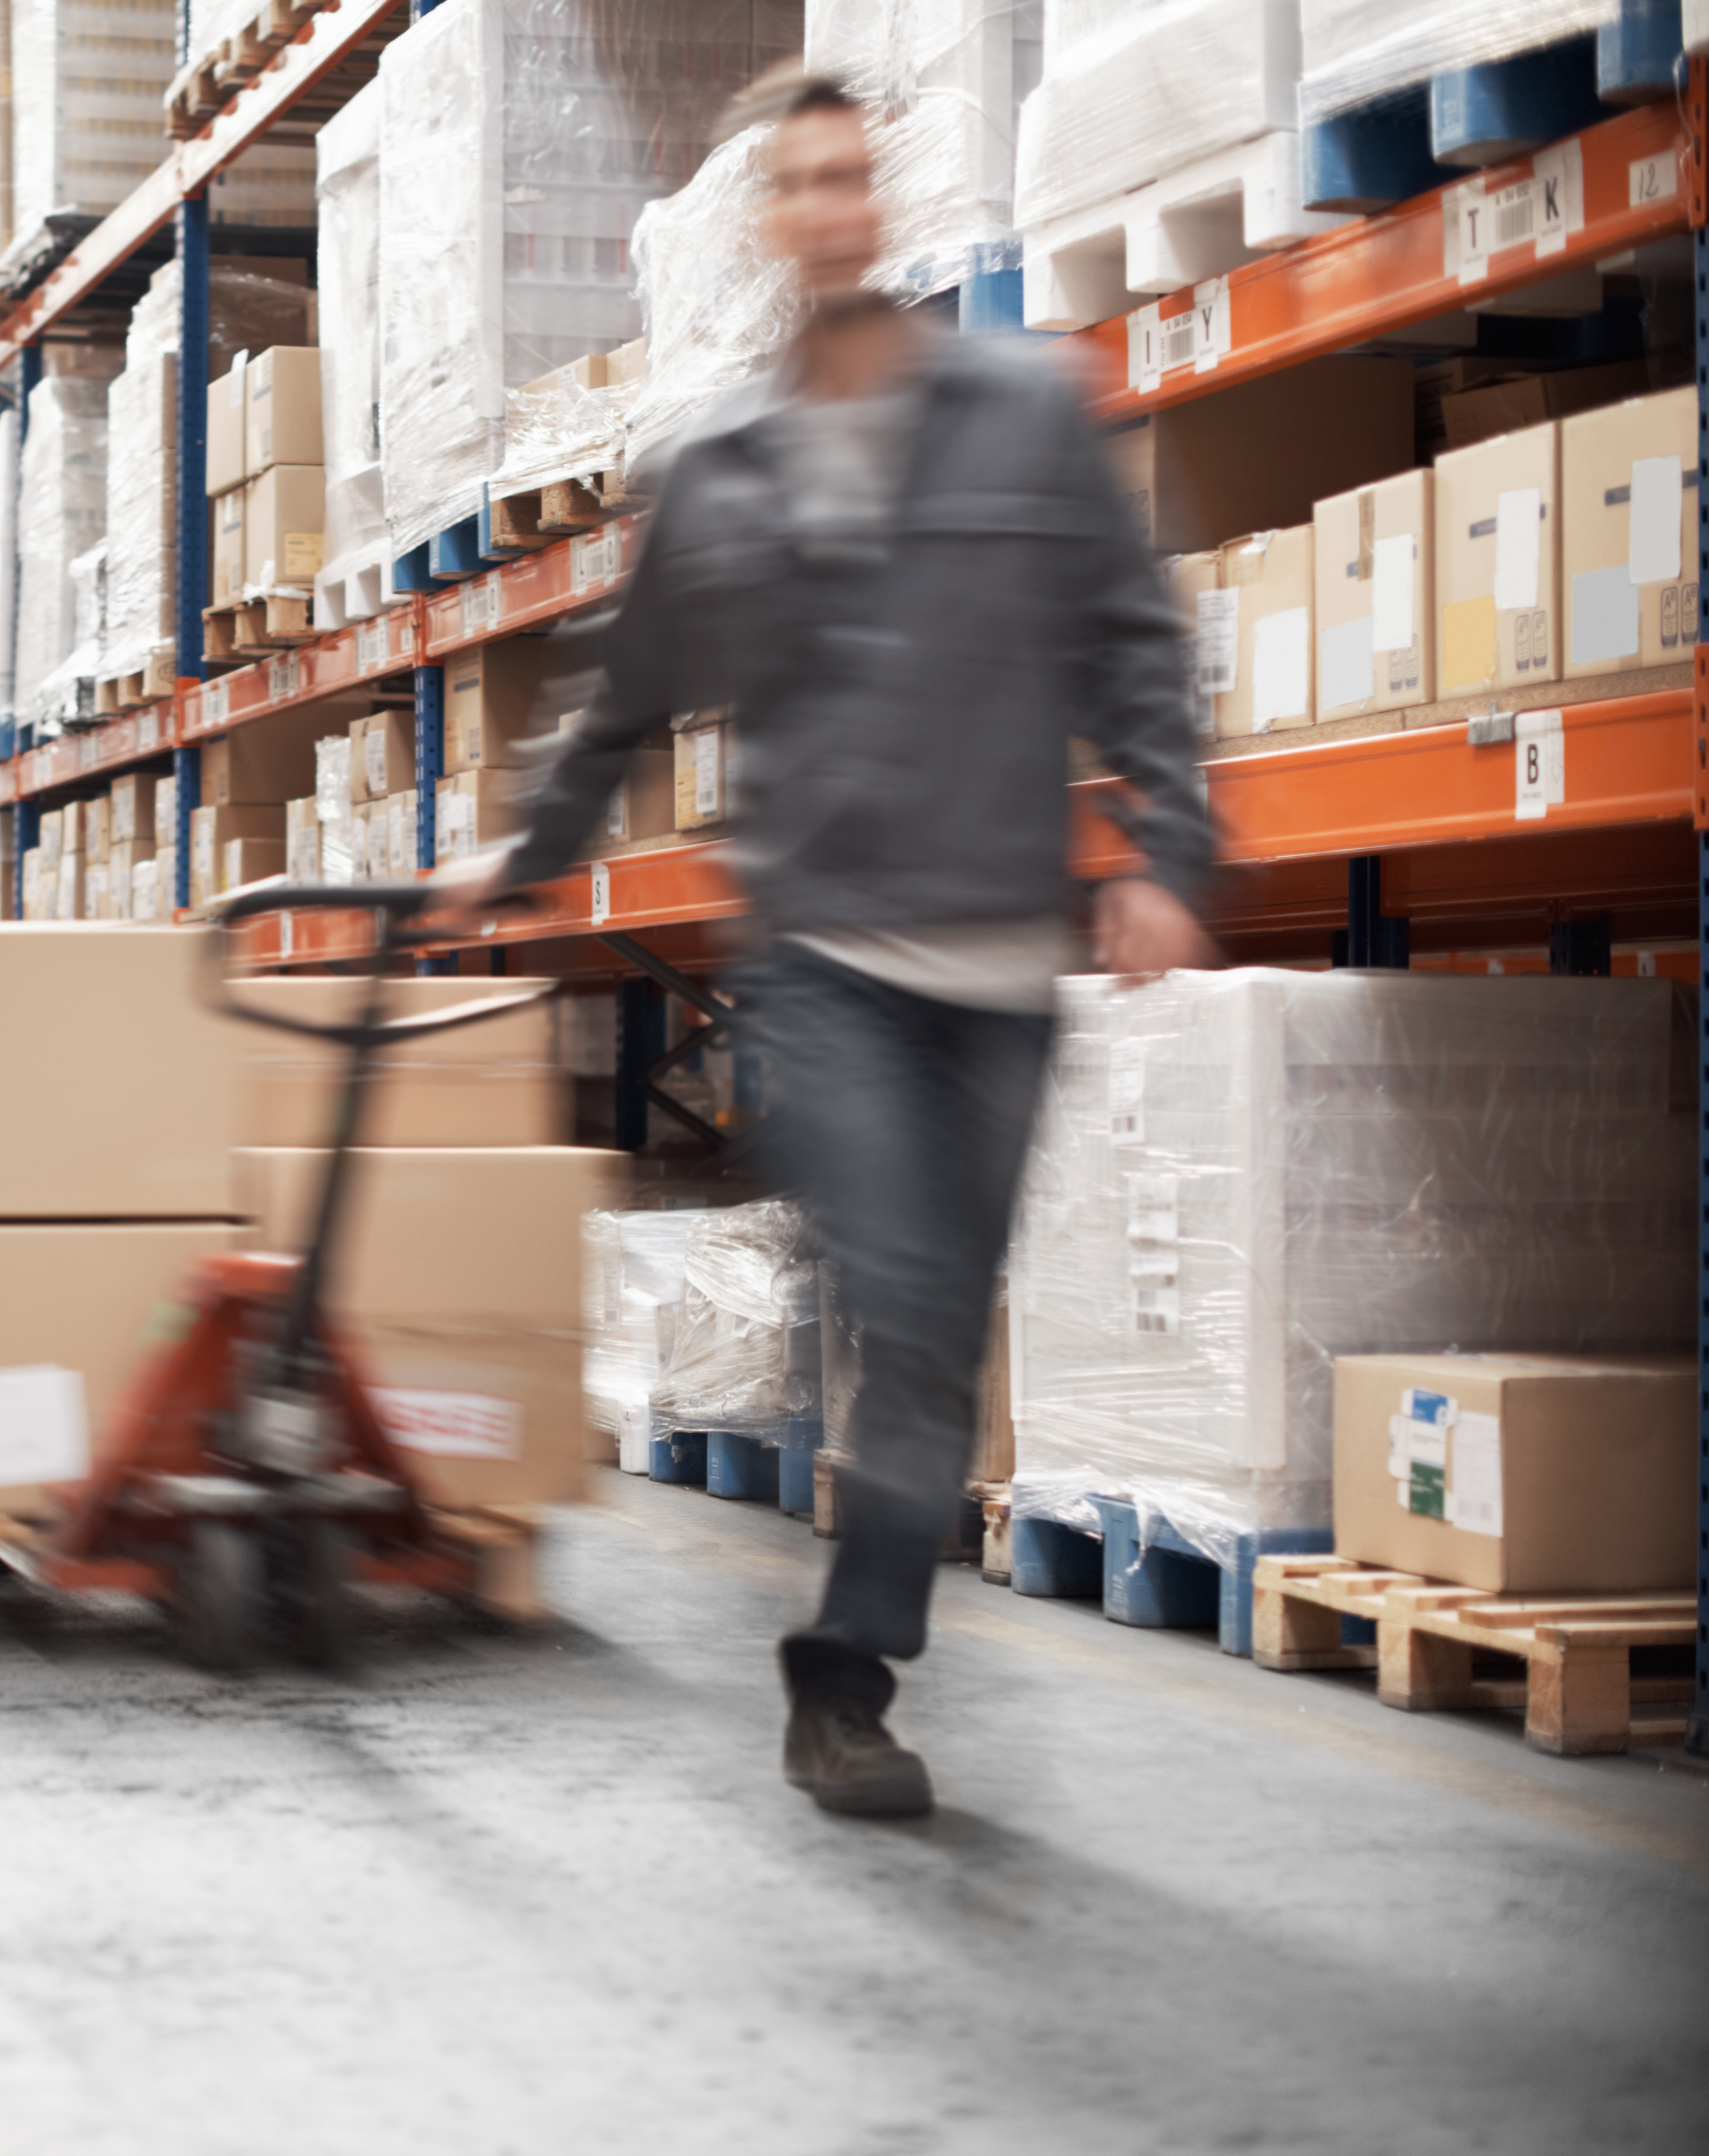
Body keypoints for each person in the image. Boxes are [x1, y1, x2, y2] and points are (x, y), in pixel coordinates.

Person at [425, 63, 1216, 1818]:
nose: (834, 205)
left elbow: (1137, 648)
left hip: (1007, 963)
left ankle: (854, 1660)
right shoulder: (723, 473)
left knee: (934, 1346)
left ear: (888, 199)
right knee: (909, 1295)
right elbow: (617, 708)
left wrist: (1170, 844)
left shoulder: (1027, 413)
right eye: (799, 182)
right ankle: (841, 1685)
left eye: (857, 174)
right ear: (771, 225)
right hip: (834, 963)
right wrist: (517, 862)